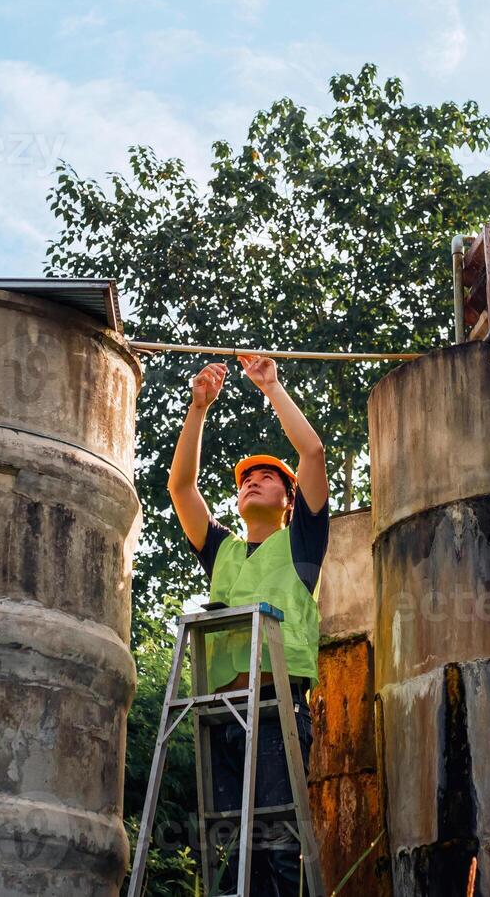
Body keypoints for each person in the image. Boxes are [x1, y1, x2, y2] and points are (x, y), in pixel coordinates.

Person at [167, 354, 328, 896]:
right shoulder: (225, 553)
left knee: (280, 848)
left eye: (267, 478)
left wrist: (272, 387)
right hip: (222, 715)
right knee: (237, 853)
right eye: (246, 480)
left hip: (277, 710)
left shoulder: (301, 543)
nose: (253, 483)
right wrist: (197, 409)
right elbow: (182, 489)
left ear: (288, 500)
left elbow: (311, 452)